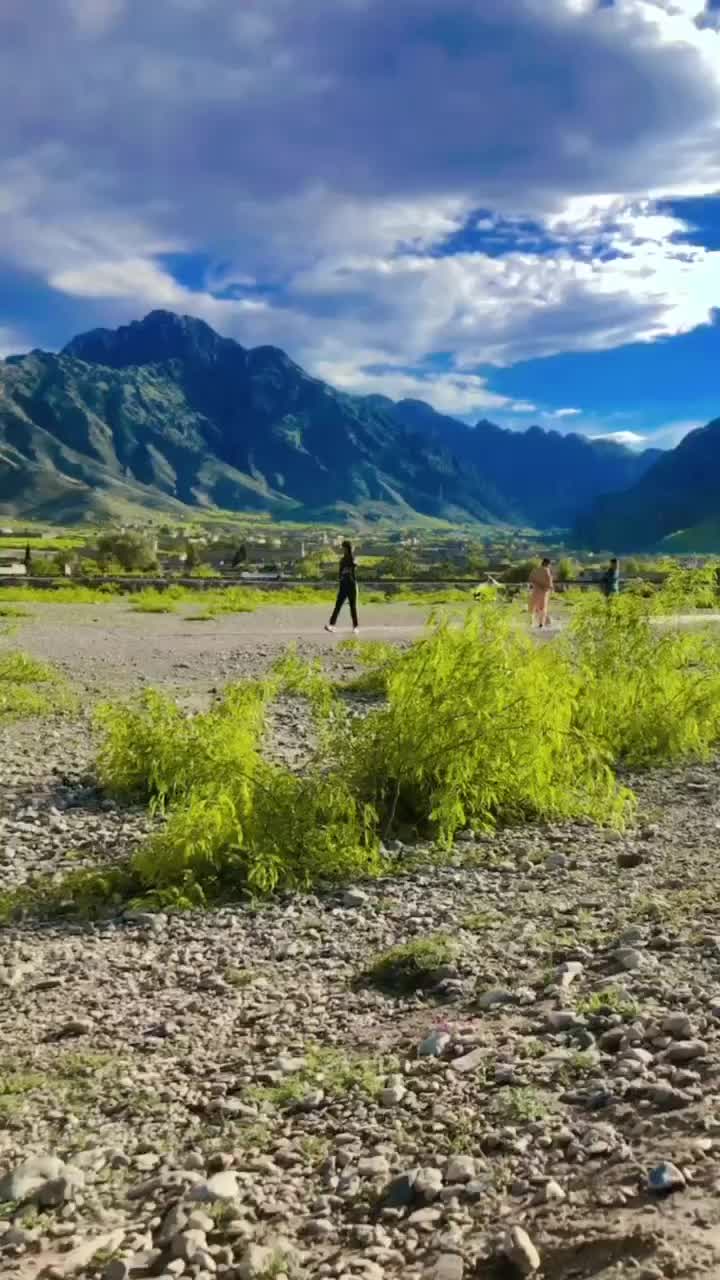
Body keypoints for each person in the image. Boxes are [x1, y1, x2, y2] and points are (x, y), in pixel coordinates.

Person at [325, 540, 359, 634]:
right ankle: (331, 625)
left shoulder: (353, 558)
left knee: (353, 607)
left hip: (351, 585)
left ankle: (355, 627)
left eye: (344, 548)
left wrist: (347, 569)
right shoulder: (342, 560)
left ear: (348, 548)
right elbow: (340, 573)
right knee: (338, 606)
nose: (343, 550)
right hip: (343, 585)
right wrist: (341, 576)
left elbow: (354, 565)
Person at [529, 557, 553, 628]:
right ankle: (541, 623)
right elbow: (549, 582)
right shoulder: (546, 570)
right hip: (543, 592)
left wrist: (537, 583)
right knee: (543, 608)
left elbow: (531, 578)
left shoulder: (535, 570)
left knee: (534, 607)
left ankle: (532, 622)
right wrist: (550, 587)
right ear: (547, 564)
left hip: (535, 591)